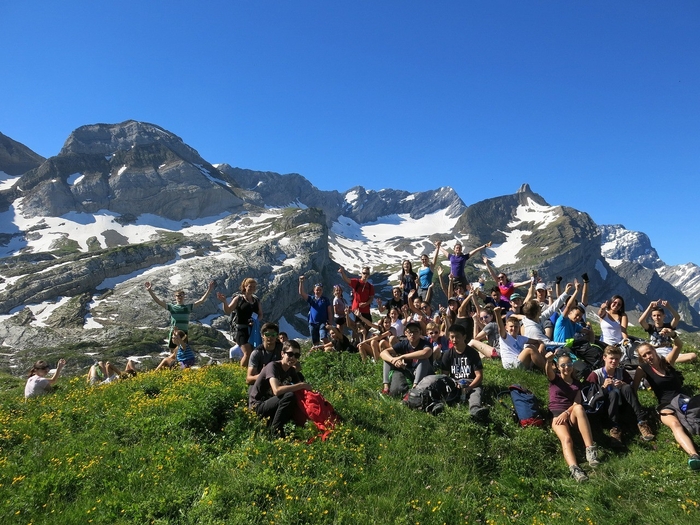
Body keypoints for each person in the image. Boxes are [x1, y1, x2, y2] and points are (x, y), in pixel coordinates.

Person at [633, 342, 700, 470]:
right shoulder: (642, 369)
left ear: (654, 351)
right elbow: (634, 389)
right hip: (665, 405)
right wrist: (637, 408)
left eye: (649, 352)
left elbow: (678, 345)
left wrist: (673, 335)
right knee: (675, 424)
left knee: (694, 419)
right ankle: (694, 455)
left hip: (682, 400)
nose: (648, 357)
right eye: (644, 355)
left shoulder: (668, 362)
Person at [545, 351, 600, 482]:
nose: (566, 367)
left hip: (570, 414)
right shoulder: (555, 379)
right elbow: (548, 372)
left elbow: (577, 402)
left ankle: (590, 451)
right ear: (558, 367)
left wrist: (566, 413)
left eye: (569, 364)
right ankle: (575, 469)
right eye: (563, 365)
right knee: (567, 439)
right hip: (557, 415)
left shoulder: (577, 384)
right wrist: (548, 361)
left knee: (579, 408)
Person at [586, 346, 654, 446]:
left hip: (622, 405)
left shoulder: (622, 372)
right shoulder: (595, 375)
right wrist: (603, 388)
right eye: (611, 358)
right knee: (613, 393)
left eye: (617, 359)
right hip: (604, 408)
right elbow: (589, 397)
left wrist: (623, 384)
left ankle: (642, 422)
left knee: (626, 388)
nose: (614, 361)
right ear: (604, 358)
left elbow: (632, 390)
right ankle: (614, 428)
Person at [248, 340, 311, 438]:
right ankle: (275, 432)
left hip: (272, 404)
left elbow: (302, 390)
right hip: (258, 406)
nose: (293, 358)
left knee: (296, 397)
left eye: (296, 355)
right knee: (289, 396)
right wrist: (301, 385)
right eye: (290, 354)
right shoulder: (273, 366)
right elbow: (276, 390)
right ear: (282, 354)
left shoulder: (291, 370)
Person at [145, 280, 215, 349]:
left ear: (184, 296)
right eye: (178, 295)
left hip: (184, 333)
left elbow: (201, 301)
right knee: (173, 352)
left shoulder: (188, 307)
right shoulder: (172, 307)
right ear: (175, 297)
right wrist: (150, 291)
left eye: (181, 295)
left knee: (183, 352)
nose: (179, 297)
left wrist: (209, 290)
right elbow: (158, 301)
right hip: (174, 333)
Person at [441, 324, 489, 421]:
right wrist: (453, 385)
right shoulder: (447, 355)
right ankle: (439, 406)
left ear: (464, 337)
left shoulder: (473, 354)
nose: (454, 340)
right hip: (455, 383)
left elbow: (479, 376)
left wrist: (469, 387)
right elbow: (444, 376)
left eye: (457, 336)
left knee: (476, 393)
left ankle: (475, 410)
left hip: (471, 382)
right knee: (444, 392)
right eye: (452, 337)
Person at [217, 277, 264, 368]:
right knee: (248, 353)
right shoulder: (238, 299)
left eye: (254, 287)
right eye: (250, 286)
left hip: (252, 330)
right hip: (240, 330)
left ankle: (247, 370)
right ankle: (241, 372)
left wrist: (256, 321)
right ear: (245, 287)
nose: (252, 288)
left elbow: (260, 314)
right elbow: (228, 310)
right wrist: (224, 302)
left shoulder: (256, 300)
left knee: (253, 352)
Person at [380, 322, 433, 396]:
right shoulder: (404, 343)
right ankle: (386, 388)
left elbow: (426, 353)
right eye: (410, 332)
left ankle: (414, 389)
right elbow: (383, 353)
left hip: (424, 373)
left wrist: (402, 356)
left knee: (423, 360)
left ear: (420, 332)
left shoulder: (425, 343)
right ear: (405, 333)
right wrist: (393, 360)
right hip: (408, 371)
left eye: (415, 331)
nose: (412, 334)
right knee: (387, 359)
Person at [298, 276, 332, 345]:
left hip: (323, 322)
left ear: (322, 291)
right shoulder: (311, 298)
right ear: (314, 290)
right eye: (317, 290)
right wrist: (301, 282)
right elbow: (301, 293)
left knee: (324, 337)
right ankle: (319, 351)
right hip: (312, 323)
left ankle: (329, 348)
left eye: (320, 290)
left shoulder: (325, 300)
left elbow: (329, 312)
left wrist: (330, 323)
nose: (318, 291)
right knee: (315, 342)